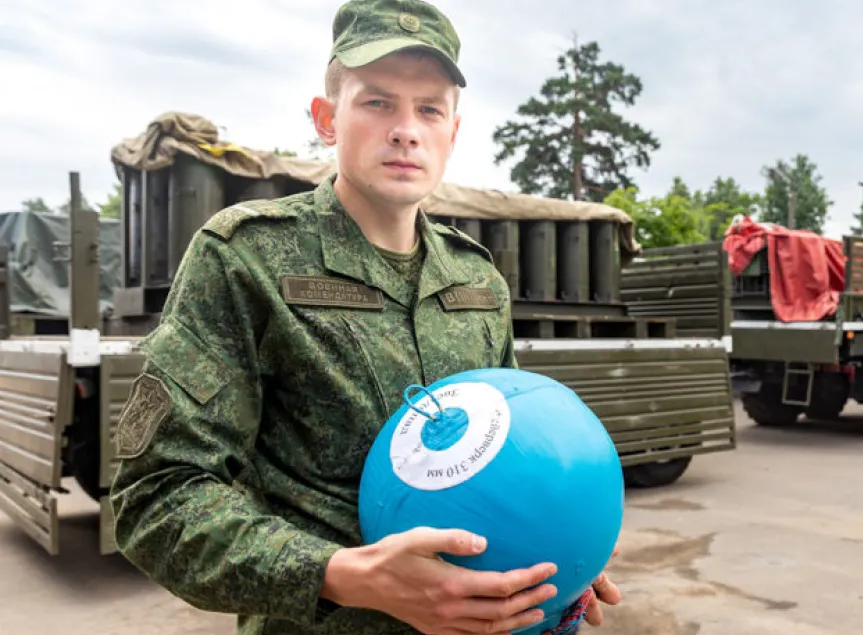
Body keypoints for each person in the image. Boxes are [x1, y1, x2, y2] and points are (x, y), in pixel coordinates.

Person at [107, 1, 621, 634]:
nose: (406, 129)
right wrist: (343, 575)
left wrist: (564, 553)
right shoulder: (247, 258)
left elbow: (513, 454)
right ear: (327, 119)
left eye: (429, 108)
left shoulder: (476, 279)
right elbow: (155, 499)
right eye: (377, 102)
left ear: (453, 133)